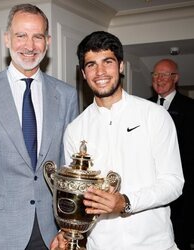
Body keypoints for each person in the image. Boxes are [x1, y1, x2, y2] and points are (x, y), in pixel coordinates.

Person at [0, 4, 78, 250]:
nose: (29, 46)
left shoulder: (66, 95)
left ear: (48, 41)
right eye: (21, 35)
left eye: (37, 36)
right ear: (6, 39)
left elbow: (69, 171)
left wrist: (68, 227)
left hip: (50, 233)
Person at [50, 31, 184, 250]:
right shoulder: (75, 129)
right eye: (91, 65)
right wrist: (67, 231)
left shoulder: (154, 115)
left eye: (108, 62)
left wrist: (126, 202)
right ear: (83, 73)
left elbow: (173, 183)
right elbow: (76, 194)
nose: (100, 72)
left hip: (154, 244)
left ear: (121, 66)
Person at [149, 58, 194, 250]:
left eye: (165, 74)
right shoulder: (144, 106)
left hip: (182, 192)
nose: (159, 79)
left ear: (175, 78)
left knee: (179, 237)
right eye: (156, 74)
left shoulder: (191, 108)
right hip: (150, 188)